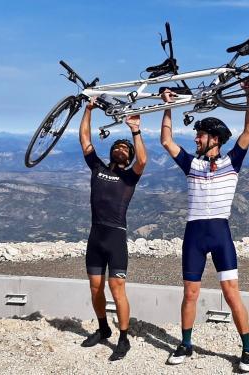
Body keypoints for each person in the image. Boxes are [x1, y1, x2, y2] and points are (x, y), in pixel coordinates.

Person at [160, 84, 249, 372]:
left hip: (220, 235)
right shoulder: (192, 164)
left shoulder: (232, 162)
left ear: (214, 139)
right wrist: (168, 106)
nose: (195, 139)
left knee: (231, 293)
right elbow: (166, 140)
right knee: (190, 293)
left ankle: (248, 348)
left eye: (200, 135)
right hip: (194, 235)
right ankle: (185, 343)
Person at [79, 98, 147, 361]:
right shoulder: (97, 167)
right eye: (117, 146)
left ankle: (123, 338)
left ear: (128, 158)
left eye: (125, 149)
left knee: (117, 287)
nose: (121, 149)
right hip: (96, 236)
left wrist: (135, 131)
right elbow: (85, 139)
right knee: (95, 287)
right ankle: (103, 328)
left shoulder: (130, 177)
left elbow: (143, 160)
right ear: (112, 153)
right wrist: (88, 110)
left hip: (116, 236)